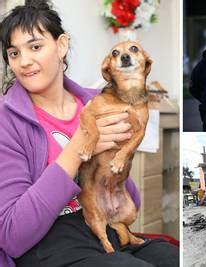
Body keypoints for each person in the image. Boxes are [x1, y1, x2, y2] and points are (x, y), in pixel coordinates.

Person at [0, 1, 178, 267]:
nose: (24, 62)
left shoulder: (97, 103)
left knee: (171, 257)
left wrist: (118, 154)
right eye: (14, 53)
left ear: (61, 45)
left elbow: (129, 200)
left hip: (104, 226)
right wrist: (78, 149)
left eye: (35, 46)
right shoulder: (7, 120)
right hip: (49, 242)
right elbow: (13, 236)